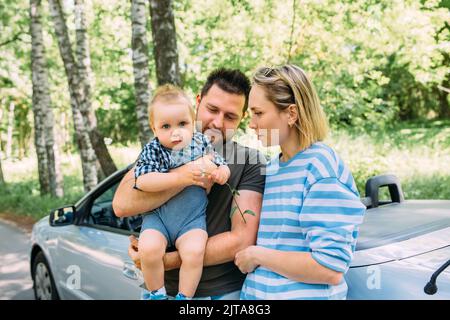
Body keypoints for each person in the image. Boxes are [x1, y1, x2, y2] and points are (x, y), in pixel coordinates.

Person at [113, 68, 266, 300]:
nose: (217, 122)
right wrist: (188, 175)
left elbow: (241, 240)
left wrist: (165, 261)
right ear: (197, 103)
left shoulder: (250, 162)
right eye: (212, 109)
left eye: (230, 116)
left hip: (222, 293)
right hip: (161, 290)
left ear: (242, 118)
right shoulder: (162, 147)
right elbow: (122, 205)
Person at [235, 65, 366, 300]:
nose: (251, 123)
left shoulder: (321, 167)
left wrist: (257, 255)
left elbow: (330, 268)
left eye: (258, 113)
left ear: (291, 114)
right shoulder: (273, 168)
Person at [133, 84, 231, 300]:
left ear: (193, 122)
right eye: (166, 126)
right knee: (148, 249)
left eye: (182, 124)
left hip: (191, 220)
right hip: (158, 218)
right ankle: (156, 293)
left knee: (195, 252)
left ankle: (184, 297)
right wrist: (181, 176)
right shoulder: (154, 149)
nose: (175, 132)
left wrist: (222, 171)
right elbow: (142, 180)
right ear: (154, 128)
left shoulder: (201, 143)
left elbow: (218, 162)